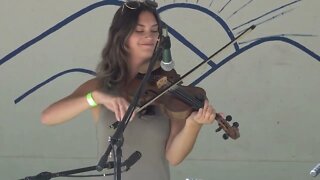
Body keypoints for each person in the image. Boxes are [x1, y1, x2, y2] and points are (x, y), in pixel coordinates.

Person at [41, 0, 216, 179]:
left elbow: (174, 157)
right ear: (122, 36)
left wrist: (193, 124)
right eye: (139, 30)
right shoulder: (101, 87)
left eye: (154, 30)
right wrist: (94, 98)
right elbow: (48, 117)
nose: (149, 36)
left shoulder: (170, 89)